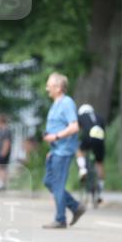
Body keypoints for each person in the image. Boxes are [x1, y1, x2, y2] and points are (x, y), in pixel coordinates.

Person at [41, 73, 85, 229]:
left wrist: (56, 137)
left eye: (49, 85)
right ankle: (75, 206)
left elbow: (74, 126)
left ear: (58, 87)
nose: (47, 88)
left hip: (64, 150)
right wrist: (52, 148)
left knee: (57, 184)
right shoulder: (56, 104)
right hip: (56, 150)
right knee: (49, 181)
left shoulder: (67, 103)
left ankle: (60, 219)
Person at [76, 103, 106, 203]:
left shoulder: (81, 116)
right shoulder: (99, 117)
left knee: (79, 150)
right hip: (100, 140)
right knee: (99, 163)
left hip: (88, 138)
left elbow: (77, 129)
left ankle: (83, 169)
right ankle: (100, 192)